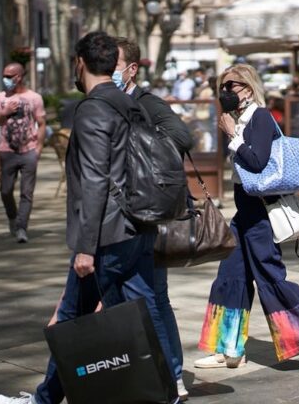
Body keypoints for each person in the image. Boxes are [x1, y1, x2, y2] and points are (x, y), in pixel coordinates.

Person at [0, 31, 179, 404]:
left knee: (74, 320)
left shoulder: (94, 108)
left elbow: (95, 179)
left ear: (80, 62)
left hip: (106, 235)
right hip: (138, 226)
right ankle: (167, 391)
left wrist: (84, 249)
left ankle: (47, 400)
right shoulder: (131, 103)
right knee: (144, 311)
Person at [195, 63, 299, 371]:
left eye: (231, 87)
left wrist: (232, 137)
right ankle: (229, 348)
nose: (225, 93)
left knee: (270, 280)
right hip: (245, 215)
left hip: (261, 216)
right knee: (230, 277)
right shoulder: (241, 120)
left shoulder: (260, 118)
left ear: (249, 90)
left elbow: (257, 162)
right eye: (221, 87)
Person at [114, 36, 194, 400]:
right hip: (125, 213)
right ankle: (157, 373)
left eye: (112, 65)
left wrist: (139, 143)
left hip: (147, 214)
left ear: (131, 69)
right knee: (148, 299)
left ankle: (172, 374)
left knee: (154, 299)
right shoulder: (109, 101)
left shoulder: (146, 102)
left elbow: (182, 136)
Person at [0, 62, 46, 243]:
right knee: (5, 191)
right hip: (6, 151)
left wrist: (38, 148)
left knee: (26, 193)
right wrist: (5, 112)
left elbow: (42, 122)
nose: (5, 79)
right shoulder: (1, 97)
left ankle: (22, 228)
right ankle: (13, 218)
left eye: (8, 76)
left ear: (19, 77)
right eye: (4, 75)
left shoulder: (34, 97)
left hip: (28, 150)